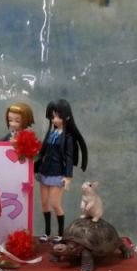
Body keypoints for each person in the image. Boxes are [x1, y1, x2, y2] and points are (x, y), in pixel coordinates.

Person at [34, 99, 88, 243]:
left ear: (67, 116)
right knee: (44, 203)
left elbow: (69, 158)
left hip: (58, 173)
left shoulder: (68, 137)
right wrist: (34, 166)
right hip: (44, 172)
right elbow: (42, 153)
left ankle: (60, 234)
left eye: (58, 116)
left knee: (55, 204)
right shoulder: (50, 134)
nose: (55, 119)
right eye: (52, 117)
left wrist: (68, 177)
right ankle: (46, 232)